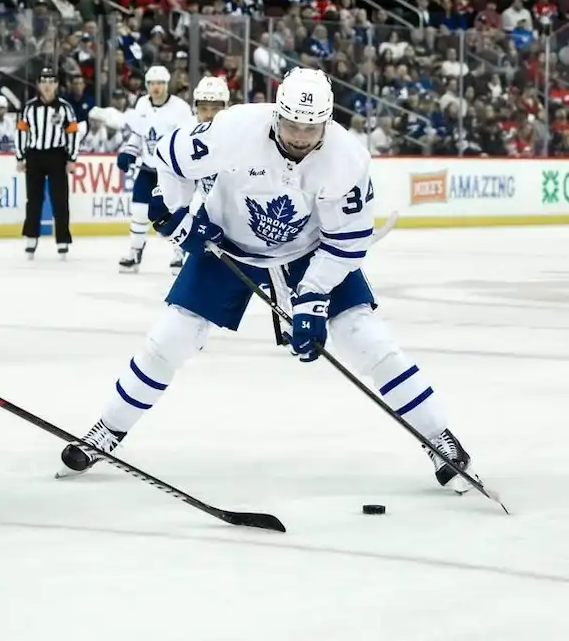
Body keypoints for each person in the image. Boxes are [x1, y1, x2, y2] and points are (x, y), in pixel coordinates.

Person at [55, 67, 484, 495]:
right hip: (226, 244)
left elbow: (347, 244)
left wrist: (313, 296)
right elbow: (170, 160)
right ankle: (106, 432)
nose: (299, 136)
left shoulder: (348, 158)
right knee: (170, 338)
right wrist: (178, 215)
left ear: (327, 121)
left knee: (366, 338)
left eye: (310, 127)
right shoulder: (234, 128)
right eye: (291, 124)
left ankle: (438, 439)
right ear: (276, 113)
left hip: (308, 251)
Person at [116, 65, 193, 274]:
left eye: (160, 83)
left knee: (175, 211)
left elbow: (187, 137)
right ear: (147, 85)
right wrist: (129, 152)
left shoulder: (180, 108)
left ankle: (179, 252)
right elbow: (138, 135)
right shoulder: (142, 105)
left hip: (170, 171)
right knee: (139, 211)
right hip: (148, 168)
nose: (156, 87)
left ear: (167, 84)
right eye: (152, 83)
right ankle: (135, 251)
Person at [162, 76, 230, 275]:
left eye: (215, 108)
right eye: (203, 108)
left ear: (225, 107)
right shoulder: (188, 137)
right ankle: (180, 251)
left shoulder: (240, 136)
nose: (208, 115)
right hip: (210, 206)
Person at [15, 68, 79, 260]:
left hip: (57, 156)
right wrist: (20, 157)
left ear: (57, 85)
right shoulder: (29, 108)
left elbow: (73, 133)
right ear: (38, 84)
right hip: (34, 156)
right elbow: (21, 133)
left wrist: (72, 158)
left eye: (51, 81)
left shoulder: (65, 108)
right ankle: (31, 238)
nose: (47, 85)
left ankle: (62, 240)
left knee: (60, 199)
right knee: (33, 200)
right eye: (44, 81)